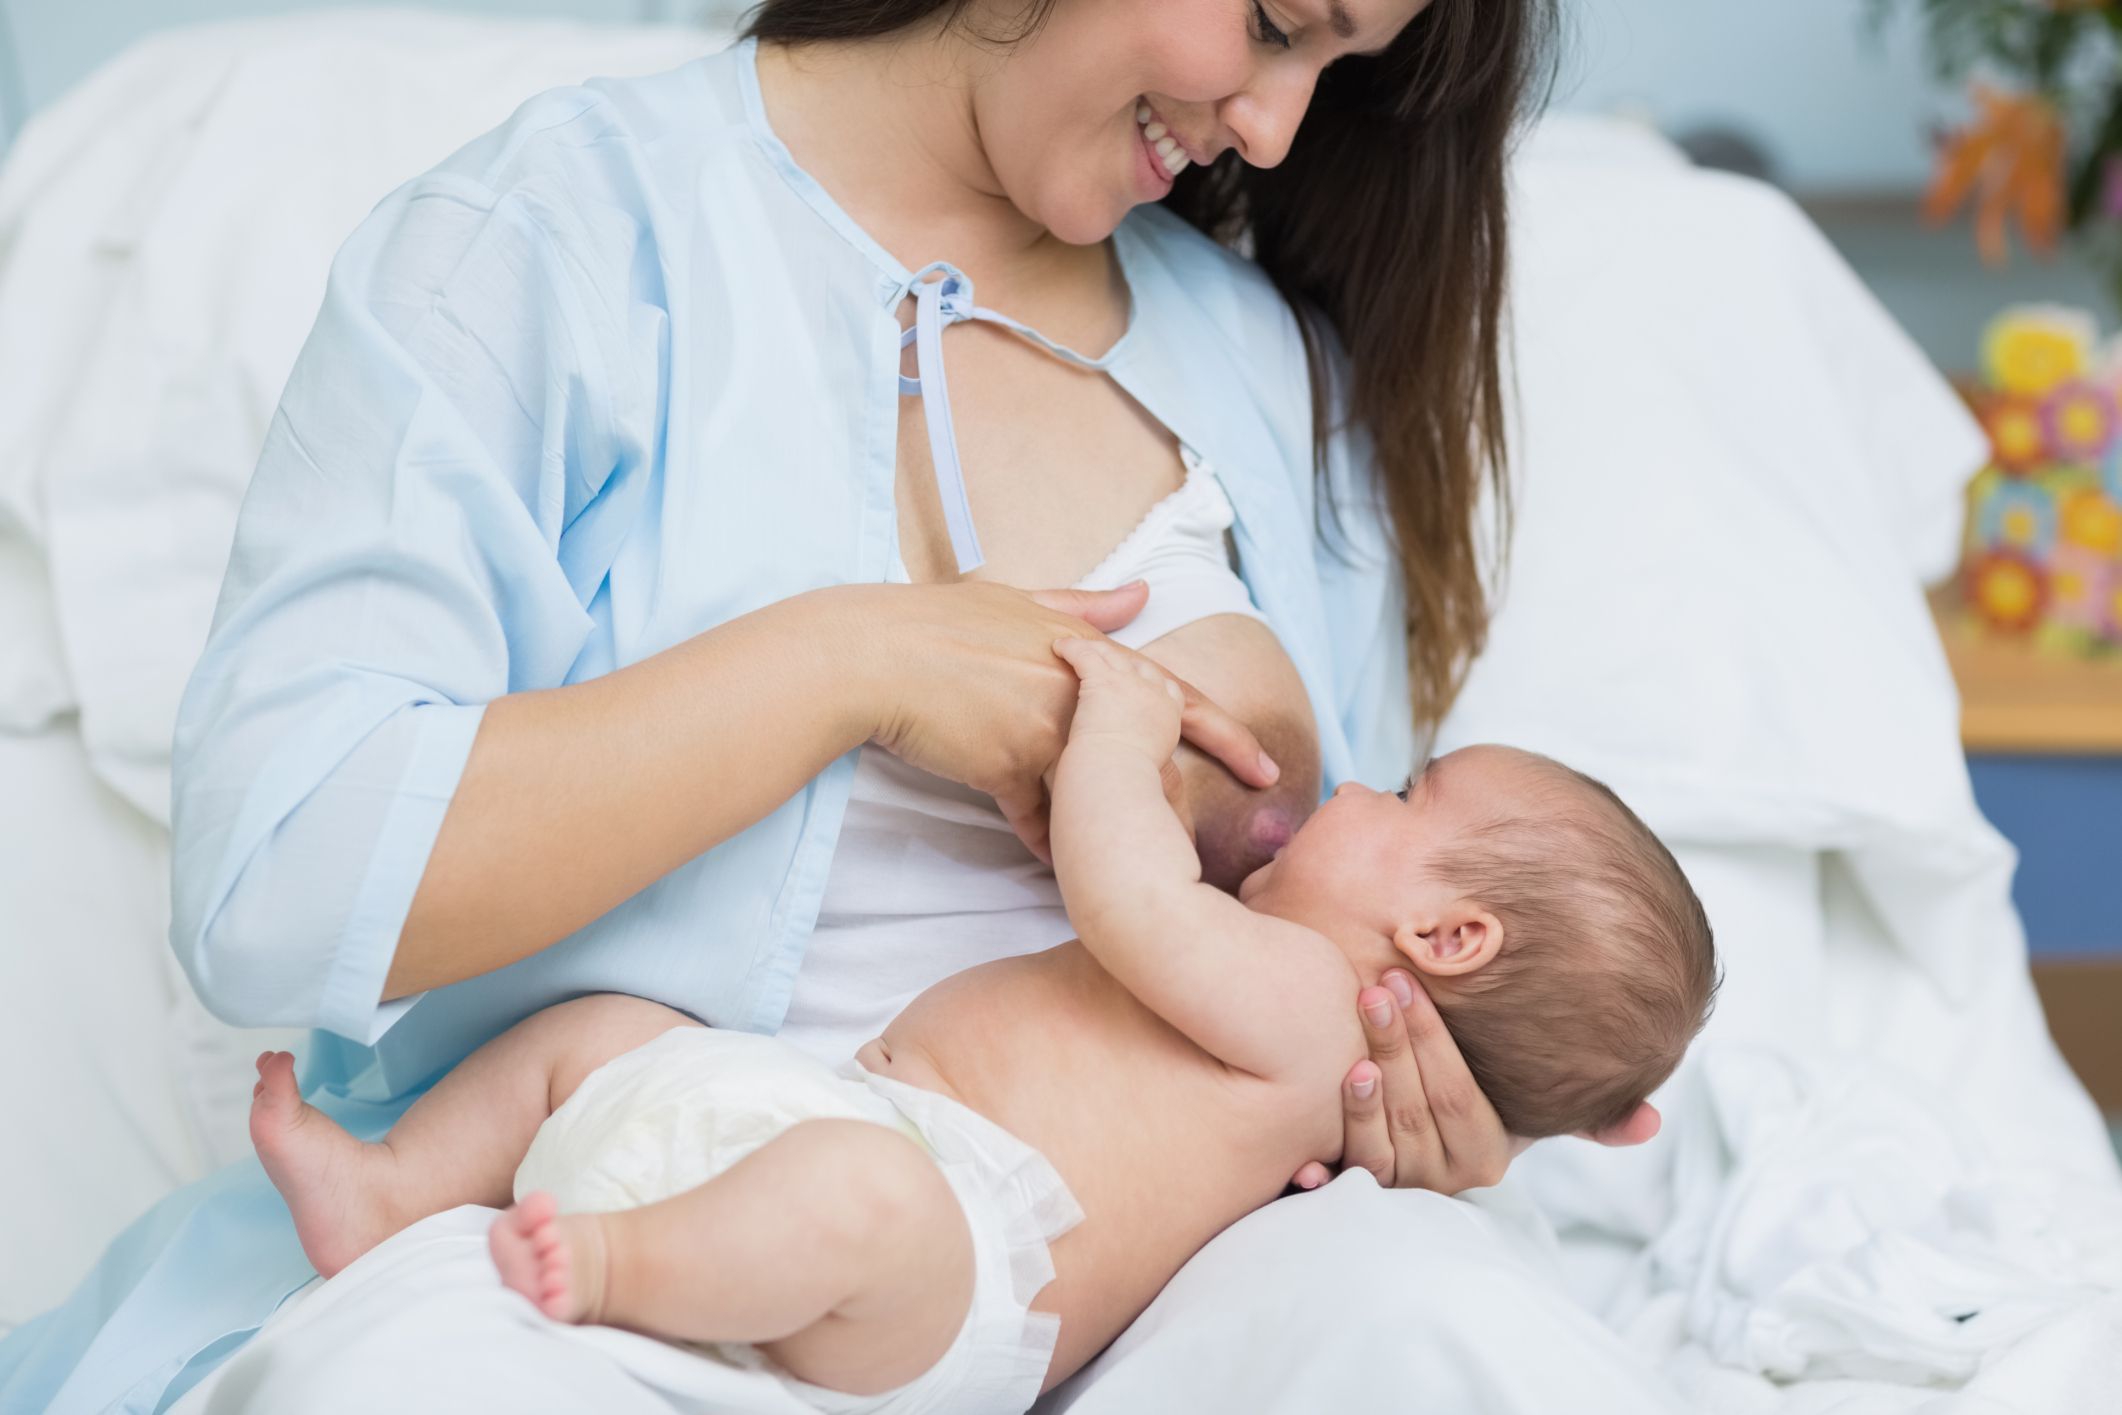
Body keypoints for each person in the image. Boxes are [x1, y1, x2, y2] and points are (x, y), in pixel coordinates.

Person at [0, 3, 1679, 1412]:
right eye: (1270, 22)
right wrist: (842, 666)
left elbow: (1357, 917)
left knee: (1438, 1331)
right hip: (619, 1217)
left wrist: (1410, 1108)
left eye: (1335, 66)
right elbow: (275, 881)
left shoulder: (1264, 377)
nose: (1275, 125)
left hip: (1088, 1310)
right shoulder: (556, 242)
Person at [242, 632, 1715, 1415]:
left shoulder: (1310, 1000)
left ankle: (615, 1268)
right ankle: (389, 1189)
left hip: (959, 1275)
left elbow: (1125, 891)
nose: (1356, 788)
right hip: (848, 1123)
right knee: (614, 1030)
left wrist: (1123, 727)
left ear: (1444, 939)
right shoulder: (1312, 1009)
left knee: (851, 1200)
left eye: (1406, 798)